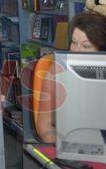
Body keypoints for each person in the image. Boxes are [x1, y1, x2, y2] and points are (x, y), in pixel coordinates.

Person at [34, 11, 106, 143]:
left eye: (86, 46)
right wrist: (67, 148)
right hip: (69, 143)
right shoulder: (56, 70)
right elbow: (44, 126)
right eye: (74, 42)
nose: (77, 50)